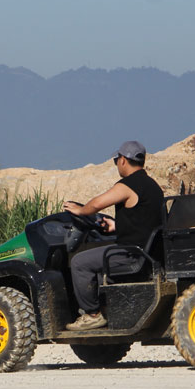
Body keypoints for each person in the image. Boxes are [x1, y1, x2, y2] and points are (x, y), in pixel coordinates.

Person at [63, 140, 164, 331]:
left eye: (117, 160)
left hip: (131, 255)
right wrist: (116, 227)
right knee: (96, 258)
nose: (117, 164)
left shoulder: (128, 185)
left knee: (79, 262)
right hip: (146, 253)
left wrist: (81, 210)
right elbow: (144, 222)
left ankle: (93, 315)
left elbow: (97, 204)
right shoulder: (152, 187)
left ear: (124, 160)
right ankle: (105, 308)